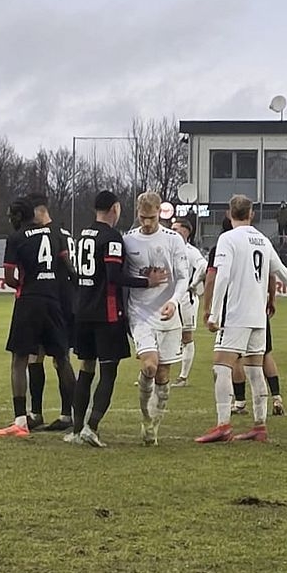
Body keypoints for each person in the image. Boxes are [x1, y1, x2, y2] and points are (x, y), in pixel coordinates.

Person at [196, 195, 287, 444]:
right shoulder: (262, 239)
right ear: (251, 214)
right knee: (254, 368)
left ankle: (223, 425)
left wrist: (214, 313)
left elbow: (222, 276)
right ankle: (259, 426)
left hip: (236, 314)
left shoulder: (228, 239)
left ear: (229, 214)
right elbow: (282, 271)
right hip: (259, 317)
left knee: (221, 366)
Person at [67, 190, 166, 448]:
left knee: (86, 368)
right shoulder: (111, 237)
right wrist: (147, 282)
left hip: (83, 311)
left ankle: (76, 430)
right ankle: (92, 427)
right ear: (115, 208)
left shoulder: (83, 234)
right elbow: (114, 277)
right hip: (106, 313)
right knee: (108, 371)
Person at [0, 196, 77, 439]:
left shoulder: (16, 238)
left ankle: (21, 420)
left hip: (29, 301)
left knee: (20, 359)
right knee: (62, 358)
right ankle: (75, 416)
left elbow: (9, 277)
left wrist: (24, 285)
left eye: (12, 216)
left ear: (19, 216)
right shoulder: (55, 233)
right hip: (54, 301)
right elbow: (68, 267)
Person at [121, 192, 190, 445]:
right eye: (143, 217)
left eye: (151, 217)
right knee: (149, 366)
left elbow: (183, 277)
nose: (147, 222)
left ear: (160, 212)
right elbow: (120, 276)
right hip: (140, 314)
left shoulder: (173, 239)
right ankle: (145, 417)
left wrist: (174, 302)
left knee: (162, 375)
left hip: (168, 315)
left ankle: (154, 425)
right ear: (137, 214)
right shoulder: (128, 240)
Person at [172, 218, 208, 388]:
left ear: (186, 232)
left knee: (186, 336)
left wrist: (193, 284)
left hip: (186, 298)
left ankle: (183, 377)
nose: (172, 232)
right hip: (169, 297)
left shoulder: (190, 251)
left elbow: (203, 266)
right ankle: (152, 373)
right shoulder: (169, 247)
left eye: (176, 229)